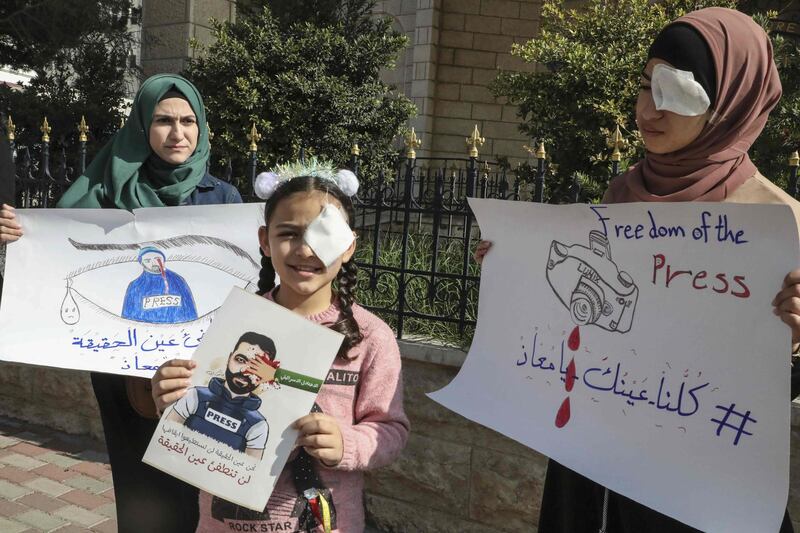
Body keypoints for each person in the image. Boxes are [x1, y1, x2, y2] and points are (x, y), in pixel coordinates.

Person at [475, 8, 800, 532]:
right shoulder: (623, 196)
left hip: (700, 484)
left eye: (676, 92)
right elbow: (583, 321)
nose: (648, 110)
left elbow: (762, 385)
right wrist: (514, 272)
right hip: (594, 469)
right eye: (647, 85)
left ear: (731, 104)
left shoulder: (778, 221)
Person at [0, 74, 243, 533]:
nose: (178, 133)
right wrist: (17, 236)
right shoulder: (105, 190)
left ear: (202, 127)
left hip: (198, 365)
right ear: (140, 127)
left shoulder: (223, 197)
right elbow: (54, 248)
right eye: (164, 121)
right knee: (142, 482)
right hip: (123, 363)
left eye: (189, 121)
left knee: (202, 476)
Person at [151, 163, 409, 532]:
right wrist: (168, 396)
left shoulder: (370, 337)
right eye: (289, 233)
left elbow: (391, 430)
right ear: (264, 239)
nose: (306, 249)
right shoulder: (231, 323)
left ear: (349, 246)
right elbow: (190, 410)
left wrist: (346, 443)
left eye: (323, 237)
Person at [167, 331, 275, 459]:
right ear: (229, 358)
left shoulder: (258, 425)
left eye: (256, 366)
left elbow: (249, 472)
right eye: (240, 360)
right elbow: (165, 437)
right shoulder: (194, 396)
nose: (244, 371)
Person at [122, 246, 198, 323]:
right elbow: (127, 319)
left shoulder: (178, 280)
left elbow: (191, 312)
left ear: (163, 259)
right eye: (147, 260)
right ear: (141, 263)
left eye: (157, 259)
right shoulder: (135, 286)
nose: (154, 263)